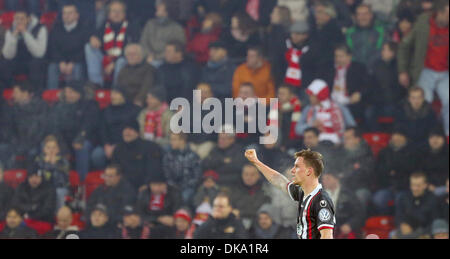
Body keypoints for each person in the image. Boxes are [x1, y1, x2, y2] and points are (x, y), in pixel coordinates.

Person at [244, 148, 335, 239]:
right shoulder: (302, 193)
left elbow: (327, 235)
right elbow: (279, 181)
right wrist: (256, 161)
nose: (292, 170)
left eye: (297, 167)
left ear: (309, 171)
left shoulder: (321, 200)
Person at [397, 0, 448, 136]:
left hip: (445, 72)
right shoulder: (423, 23)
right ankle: (426, 135)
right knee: (424, 102)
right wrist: (402, 70)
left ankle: (447, 135)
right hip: (425, 69)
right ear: (440, 13)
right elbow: (404, 46)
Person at [51, 80, 101, 181]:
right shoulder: (59, 106)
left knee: (82, 147)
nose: (68, 95)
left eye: (72, 92)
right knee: (49, 146)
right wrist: (63, 146)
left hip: (85, 139)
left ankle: (81, 183)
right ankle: (58, 182)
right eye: (67, 92)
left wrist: (80, 138)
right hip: (64, 140)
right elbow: (55, 127)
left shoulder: (90, 105)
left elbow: (89, 125)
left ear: (79, 93)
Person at [85, 0, 140, 87]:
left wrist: (113, 63)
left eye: (119, 11)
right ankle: (96, 84)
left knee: (121, 62)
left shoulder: (131, 27)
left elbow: (132, 49)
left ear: (124, 14)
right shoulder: (104, 25)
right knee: (89, 47)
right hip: (105, 58)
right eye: (114, 11)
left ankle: (116, 89)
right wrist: (93, 38)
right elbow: (96, 37)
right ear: (109, 14)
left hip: (122, 59)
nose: (116, 14)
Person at [295, 79, 356, 145]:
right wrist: (311, 125)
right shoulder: (308, 109)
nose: (309, 98)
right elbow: (297, 129)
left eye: (311, 96)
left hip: (338, 144)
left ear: (320, 95)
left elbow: (353, 127)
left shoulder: (340, 108)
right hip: (315, 145)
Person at [3, 81, 50, 165]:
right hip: (18, 143)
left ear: (25, 93)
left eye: (16, 92)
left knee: (34, 150)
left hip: (36, 142)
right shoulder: (12, 109)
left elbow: (42, 128)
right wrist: (15, 142)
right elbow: (9, 129)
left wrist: (30, 143)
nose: (13, 95)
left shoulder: (41, 106)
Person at [0, 9, 47, 91]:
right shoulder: (10, 30)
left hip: (34, 59)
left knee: (36, 64)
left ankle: (34, 93)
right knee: (3, 64)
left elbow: (39, 53)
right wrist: (13, 37)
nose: (19, 21)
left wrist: (25, 33)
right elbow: (7, 55)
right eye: (17, 18)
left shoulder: (40, 29)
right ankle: (14, 89)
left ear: (29, 19)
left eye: (22, 19)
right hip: (18, 61)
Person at [111, 119, 164, 192]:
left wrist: (147, 184)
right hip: (124, 189)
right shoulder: (118, 149)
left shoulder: (150, 147)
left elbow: (154, 169)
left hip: (144, 188)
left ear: (137, 132)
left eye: (130, 129)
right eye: (125, 129)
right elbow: (115, 170)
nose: (127, 132)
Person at [373, 128, 417, 215]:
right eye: (395, 135)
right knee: (378, 199)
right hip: (386, 186)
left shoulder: (412, 152)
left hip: (404, 187)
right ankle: (386, 219)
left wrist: (395, 171)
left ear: (405, 138)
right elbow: (379, 170)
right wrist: (391, 171)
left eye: (399, 135)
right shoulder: (384, 152)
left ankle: (399, 223)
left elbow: (411, 170)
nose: (396, 138)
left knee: (400, 200)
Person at [47, 3, 89, 89]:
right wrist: (61, 61)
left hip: (77, 61)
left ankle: (76, 95)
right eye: (64, 13)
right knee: (52, 67)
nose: (66, 16)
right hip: (60, 61)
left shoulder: (84, 28)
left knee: (77, 68)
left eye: (70, 13)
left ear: (77, 15)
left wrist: (72, 62)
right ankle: (51, 97)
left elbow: (84, 49)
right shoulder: (56, 28)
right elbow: (53, 48)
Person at [366, 41, 405, 131]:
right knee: (369, 113)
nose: (383, 52)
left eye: (385, 50)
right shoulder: (375, 65)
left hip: (394, 102)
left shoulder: (399, 66)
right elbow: (370, 85)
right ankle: (377, 136)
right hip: (377, 103)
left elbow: (402, 88)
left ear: (393, 52)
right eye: (383, 50)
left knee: (396, 112)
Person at [98, 88, 141, 166]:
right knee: (97, 155)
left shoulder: (134, 110)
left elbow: (134, 131)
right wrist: (106, 145)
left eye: (115, 94)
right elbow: (103, 130)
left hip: (127, 143)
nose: (112, 96)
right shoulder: (106, 111)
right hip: (109, 144)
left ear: (123, 96)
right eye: (111, 94)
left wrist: (118, 146)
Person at [331, 44, 370, 125]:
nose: (338, 59)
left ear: (349, 57)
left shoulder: (359, 68)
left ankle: (352, 129)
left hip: (350, 102)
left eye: (341, 56)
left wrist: (359, 94)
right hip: (332, 103)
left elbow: (368, 85)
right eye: (336, 56)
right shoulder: (330, 69)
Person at [140, 0, 186, 67]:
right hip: (147, 58)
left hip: (165, 61)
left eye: (160, 5)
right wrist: (148, 55)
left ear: (168, 8)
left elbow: (177, 49)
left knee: (153, 65)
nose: (157, 7)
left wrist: (155, 57)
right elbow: (143, 43)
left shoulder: (177, 29)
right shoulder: (150, 24)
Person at [335, 127, 375, 206]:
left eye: (348, 138)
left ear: (357, 139)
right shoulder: (340, 153)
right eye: (344, 138)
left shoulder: (366, 154)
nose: (345, 141)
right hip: (343, 188)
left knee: (360, 197)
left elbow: (366, 174)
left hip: (361, 188)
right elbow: (335, 171)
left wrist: (345, 174)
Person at [394, 172, 439, 239]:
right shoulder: (404, 197)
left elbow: (434, 222)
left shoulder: (432, 199)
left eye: (418, 186)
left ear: (425, 185)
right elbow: (398, 215)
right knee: (392, 234)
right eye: (413, 185)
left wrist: (424, 233)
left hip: (424, 232)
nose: (415, 188)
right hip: (405, 231)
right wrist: (402, 224)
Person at [163, 132, 202, 208]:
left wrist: (184, 186)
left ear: (182, 141)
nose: (171, 142)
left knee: (185, 197)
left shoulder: (193, 156)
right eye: (171, 140)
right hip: (172, 187)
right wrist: (173, 186)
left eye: (174, 140)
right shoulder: (168, 156)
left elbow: (197, 177)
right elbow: (166, 175)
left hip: (188, 187)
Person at [322, 170, 365, 239]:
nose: (324, 181)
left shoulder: (348, 195)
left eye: (328, 178)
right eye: (323, 179)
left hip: (342, 230)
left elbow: (359, 214)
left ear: (336, 179)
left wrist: (350, 225)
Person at [345, 3, 386, 72]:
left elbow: (381, 51)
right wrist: (359, 66)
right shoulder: (350, 32)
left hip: (375, 69)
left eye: (365, 14)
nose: (362, 17)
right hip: (355, 70)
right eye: (359, 14)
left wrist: (370, 66)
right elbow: (349, 51)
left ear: (371, 15)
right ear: (356, 16)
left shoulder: (380, 31)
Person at [34, 135, 70, 210]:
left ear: (58, 149)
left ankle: (59, 216)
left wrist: (53, 165)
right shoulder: (38, 161)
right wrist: (47, 164)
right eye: (48, 147)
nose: (51, 150)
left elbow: (61, 181)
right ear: (44, 149)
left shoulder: (63, 161)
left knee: (58, 192)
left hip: (59, 188)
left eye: (54, 147)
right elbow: (37, 176)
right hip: (42, 188)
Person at [229, 163, 271, 229]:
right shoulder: (235, 190)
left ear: (258, 175)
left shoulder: (266, 190)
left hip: (259, 225)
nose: (248, 177)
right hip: (237, 224)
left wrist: (240, 212)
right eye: (246, 174)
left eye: (252, 174)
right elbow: (231, 208)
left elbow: (261, 212)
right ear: (242, 175)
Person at [267, 84, 303, 150]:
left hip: (293, 145)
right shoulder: (273, 108)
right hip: (274, 145)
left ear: (291, 96)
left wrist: (286, 146)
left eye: (283, 94)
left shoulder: (298, 109)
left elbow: (298, 133)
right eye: (279, 93)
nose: (279, 96)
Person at [416, 127, 449, 195]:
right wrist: (427, 184)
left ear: (443, 139)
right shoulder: (424, 153)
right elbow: (420, 172)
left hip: (445, 187)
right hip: (427, 186)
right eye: (432, 137)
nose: (435, 140)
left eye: (438, 137)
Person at [265, 5, 293, 85]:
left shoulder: (284, 33)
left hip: (283, 70)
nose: (270, 15)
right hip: (277, 70)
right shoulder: (272, 31)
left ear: (281, 16)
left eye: (273, 13)